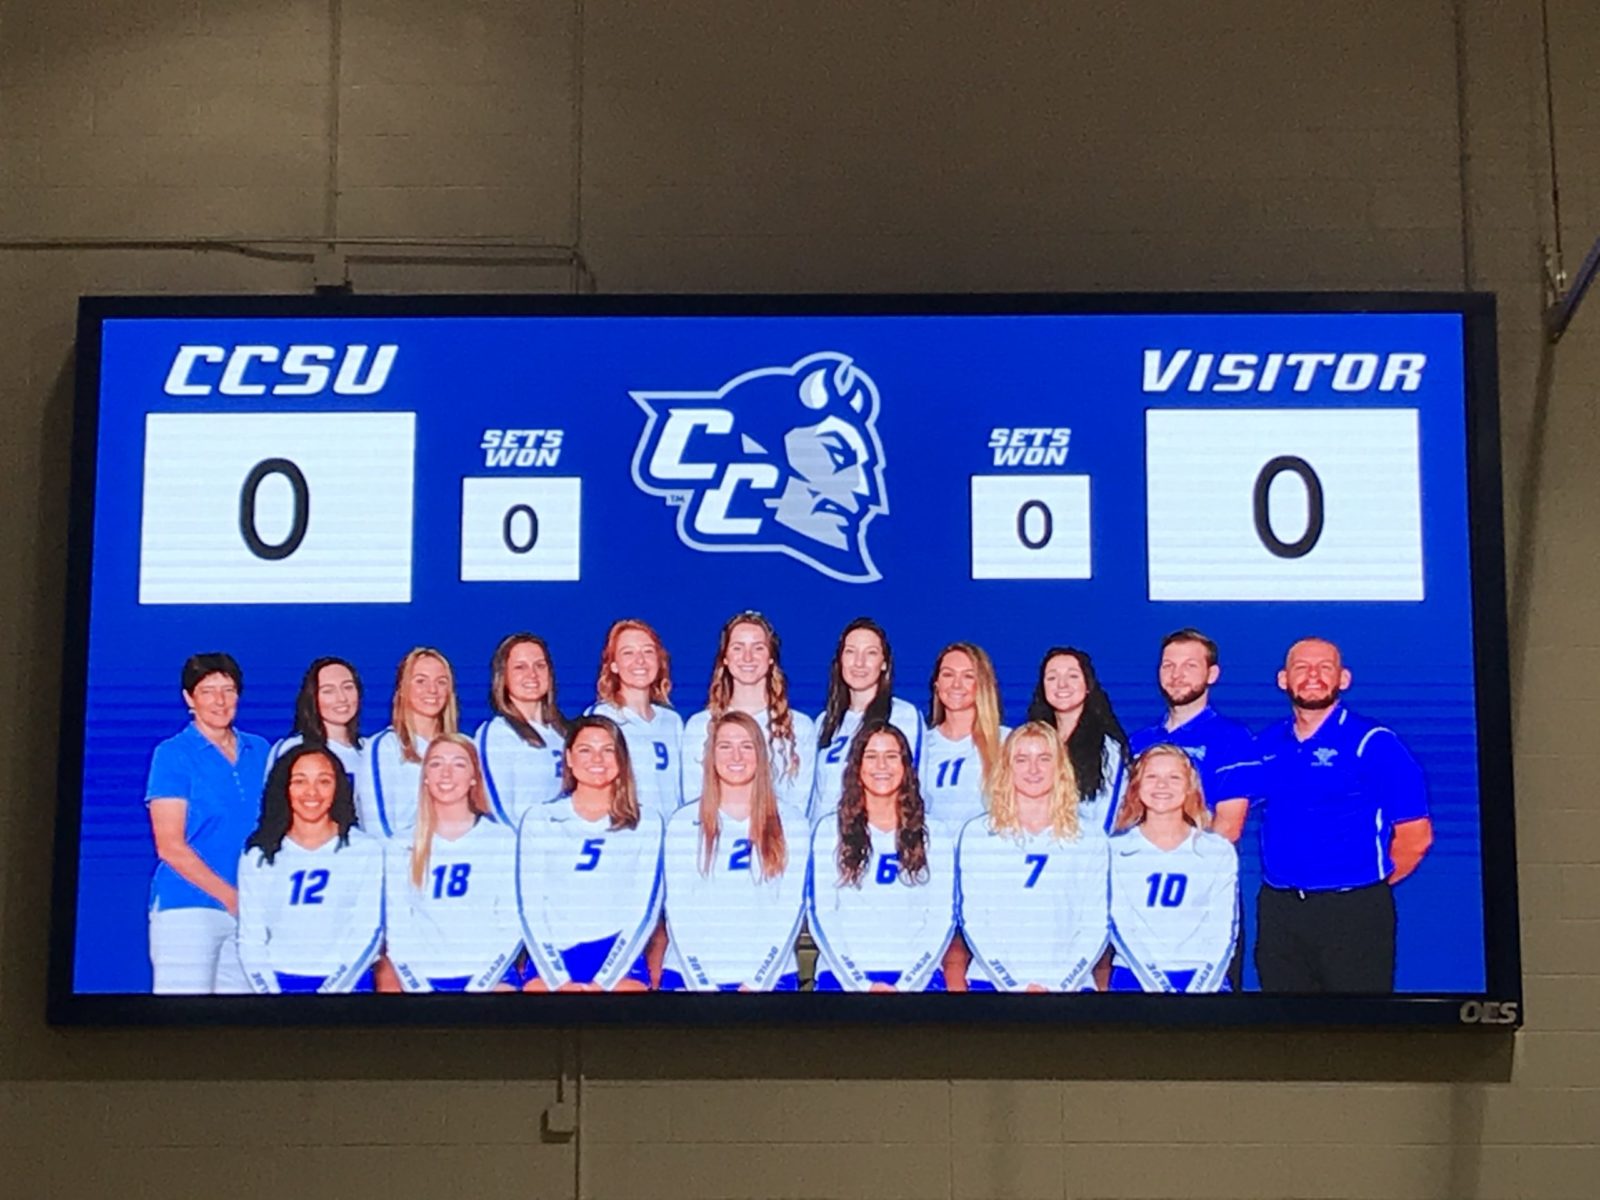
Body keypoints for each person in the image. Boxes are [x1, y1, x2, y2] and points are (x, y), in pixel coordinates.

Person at [1245, 637, 1432, 993]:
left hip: (1353, 912)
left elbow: (1416, 836)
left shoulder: (1374, 743)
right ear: (1283, 679)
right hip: (1280, 911)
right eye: (1301, 667)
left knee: (1358, 1034)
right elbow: (1228, 809)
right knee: (1285, 1035)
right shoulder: (1266, 744)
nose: (1312, 675)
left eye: (1324, 667)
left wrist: (1362, 889)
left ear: (1343, 679)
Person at [144, 652, 271, 994]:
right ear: (189, 698)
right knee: (181, 1026)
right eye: (208, 691)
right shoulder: (173, 754)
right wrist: (229, 896)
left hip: (250, 911)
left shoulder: (260, 750)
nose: (219, 700)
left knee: (239, 1030)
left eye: (228, 690)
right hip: (188, 907)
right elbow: (170, 845)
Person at [957, 722, 1109, 992]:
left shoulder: (1089, 837)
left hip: (1072, 985)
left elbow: (1095, 922)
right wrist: (1013, 985)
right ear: (1007, 767)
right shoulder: (978, 835)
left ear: (1060, 766)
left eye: (1044, 758)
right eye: (1022, 759)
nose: (1033, 769)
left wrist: (1059, 984)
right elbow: (976, 919)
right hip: (992, 982)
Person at [661, 712, 808, 991]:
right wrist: (701, 982)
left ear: (761, 755)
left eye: (746, 746)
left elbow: (791, 907)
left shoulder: (792, 823)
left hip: (769, 976)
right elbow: (678, 907)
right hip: (689, 975)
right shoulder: (683, 822)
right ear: (711, 755)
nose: (736, 757)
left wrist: (758, 981)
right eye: (725, 746)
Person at [516, 715, 663, 991]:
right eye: (585, 750)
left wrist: (603, 982)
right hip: (554, 954)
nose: (597, 759)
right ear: (569, 758)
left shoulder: (647, 822)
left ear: (621, 759)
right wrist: (559, 980)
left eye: (608, 750)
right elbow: (530, 907)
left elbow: (644, 910)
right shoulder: (540, 819)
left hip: (617, 952)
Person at [808, 722, 955, 991]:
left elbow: (941, 916)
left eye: (891, 756)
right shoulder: (829, 831)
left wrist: (907, 983)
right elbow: (823, 914)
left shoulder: (936, 833)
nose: (882, 766)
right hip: (842, 978)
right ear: (857, 766)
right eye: (871, 756)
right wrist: (862, 985)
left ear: (906, 766)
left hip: (917, 980)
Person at [237, 744, 384, 993]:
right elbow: (250, 939)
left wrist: (329, 992)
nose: (312, 792)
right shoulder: (258, 854)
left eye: (324, 781)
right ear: (285, 787)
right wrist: (272, 997)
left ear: (338, 787)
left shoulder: (364, 850)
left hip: (348, 986)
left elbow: (369, 931)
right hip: (279, 985)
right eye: (300, 781)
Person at [382, 734, 524, 992]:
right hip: (421, 980)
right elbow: (398, 926)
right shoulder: (400, 844)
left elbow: (511, 924)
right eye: (436, 764)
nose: (446, 774)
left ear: (474, 778)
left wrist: (478, 986)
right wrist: (420, 988)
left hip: (490, 977)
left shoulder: (503, 840)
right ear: (425, 776)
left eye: (458, 764)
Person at [1106, 745, 1238, 993]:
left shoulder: (1216, 851)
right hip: (1134, 977)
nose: (1162, 785)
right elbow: (1120, 924)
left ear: (1190, 787)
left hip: (1205, 979)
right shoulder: (1115, 851)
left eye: (1174, 777)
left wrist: (1200, 986)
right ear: (1136, 785)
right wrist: (1157, 984)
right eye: (1152, 777)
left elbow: (1224, 929)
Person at [920, 641, 1008, 990]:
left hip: (989, 881)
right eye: (948, 675)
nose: (957, 684)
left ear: (982, 685)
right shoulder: (919, 745)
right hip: (932, 879)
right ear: (936, 685)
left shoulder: (1007, 742)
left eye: (968, 676)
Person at [681, 612, 816, 813]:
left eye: (758, 648)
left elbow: (797, 808)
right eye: (738, 648)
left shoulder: (799, 726)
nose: (747, 657)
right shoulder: (700, 726)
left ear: (771, 658)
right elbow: (695, 804)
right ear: (725, 658)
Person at [1127, 630, 1254, 842]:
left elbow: (1229, 827)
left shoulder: (1233, 738)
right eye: (1168, 666)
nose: (1177, 675)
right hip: (1142, 870)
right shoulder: (1138, 741)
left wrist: (1186, 865)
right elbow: (1127, 815)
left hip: (1200, 870)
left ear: (1212, 674)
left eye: (1190, 666)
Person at [810, 618, 924, 820]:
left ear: (884, 663)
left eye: (870, 653)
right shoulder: (824, 722)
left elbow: (913, 787)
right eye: (851, 652)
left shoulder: (902, 715)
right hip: (826, 841)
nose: (859, 662)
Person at [354, 647, 458, 840]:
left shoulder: (463, 748)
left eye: (441, 682)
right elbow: (378, 828)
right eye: (420, 681)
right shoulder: (384, 747)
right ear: (402, 689)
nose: (432, 690)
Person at [587, 619, 684, 821]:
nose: (639, 661)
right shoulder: (600, 718)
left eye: (647, 652)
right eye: (628, 653)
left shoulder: (671, 721)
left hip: (669, 839)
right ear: (613, 665)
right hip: (627, 837)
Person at [1025, 647, 1129, 835]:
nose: (1062, 684)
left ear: (1088, 685)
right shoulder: (1028, 743)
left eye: (1072, 676)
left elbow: (1106, 818)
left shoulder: (1108, 749)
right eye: (1052, 678)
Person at [475, 633, 568, 828]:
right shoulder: (497, 733)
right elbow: (498, 810)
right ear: (503, 676)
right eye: (520, 667)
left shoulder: (565, 733)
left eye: (540, 665)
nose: (532, 674)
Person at [265, 657, 364, 781]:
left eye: (348, 687)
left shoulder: (370, 750)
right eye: (328, 691)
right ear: (312, 697)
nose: (342, 698)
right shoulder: (293, 748)